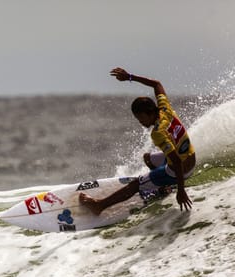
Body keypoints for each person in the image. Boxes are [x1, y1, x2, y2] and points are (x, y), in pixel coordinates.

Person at [79, 67, 196, 215]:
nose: (140, 122)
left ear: (149, 113)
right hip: (190, 158)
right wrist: (129, 77)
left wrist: (181, 191)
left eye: (141, 118)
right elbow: (157, 84)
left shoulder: (158, 133)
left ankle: (99, 206)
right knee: (148, 158)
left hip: (179, 169)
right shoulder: (165, 109)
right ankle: (162, 188)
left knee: (136, 184)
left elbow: (177, 162)